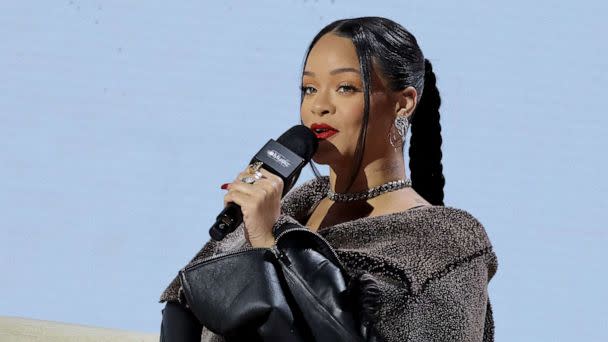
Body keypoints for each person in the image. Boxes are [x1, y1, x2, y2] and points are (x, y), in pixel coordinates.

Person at [159, 16, 498, 342]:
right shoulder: (290, 206)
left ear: (403, 103)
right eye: (309, 88)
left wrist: (273, 237)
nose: (318, 105)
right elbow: (182, 300)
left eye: (345, 87)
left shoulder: (448, 243)